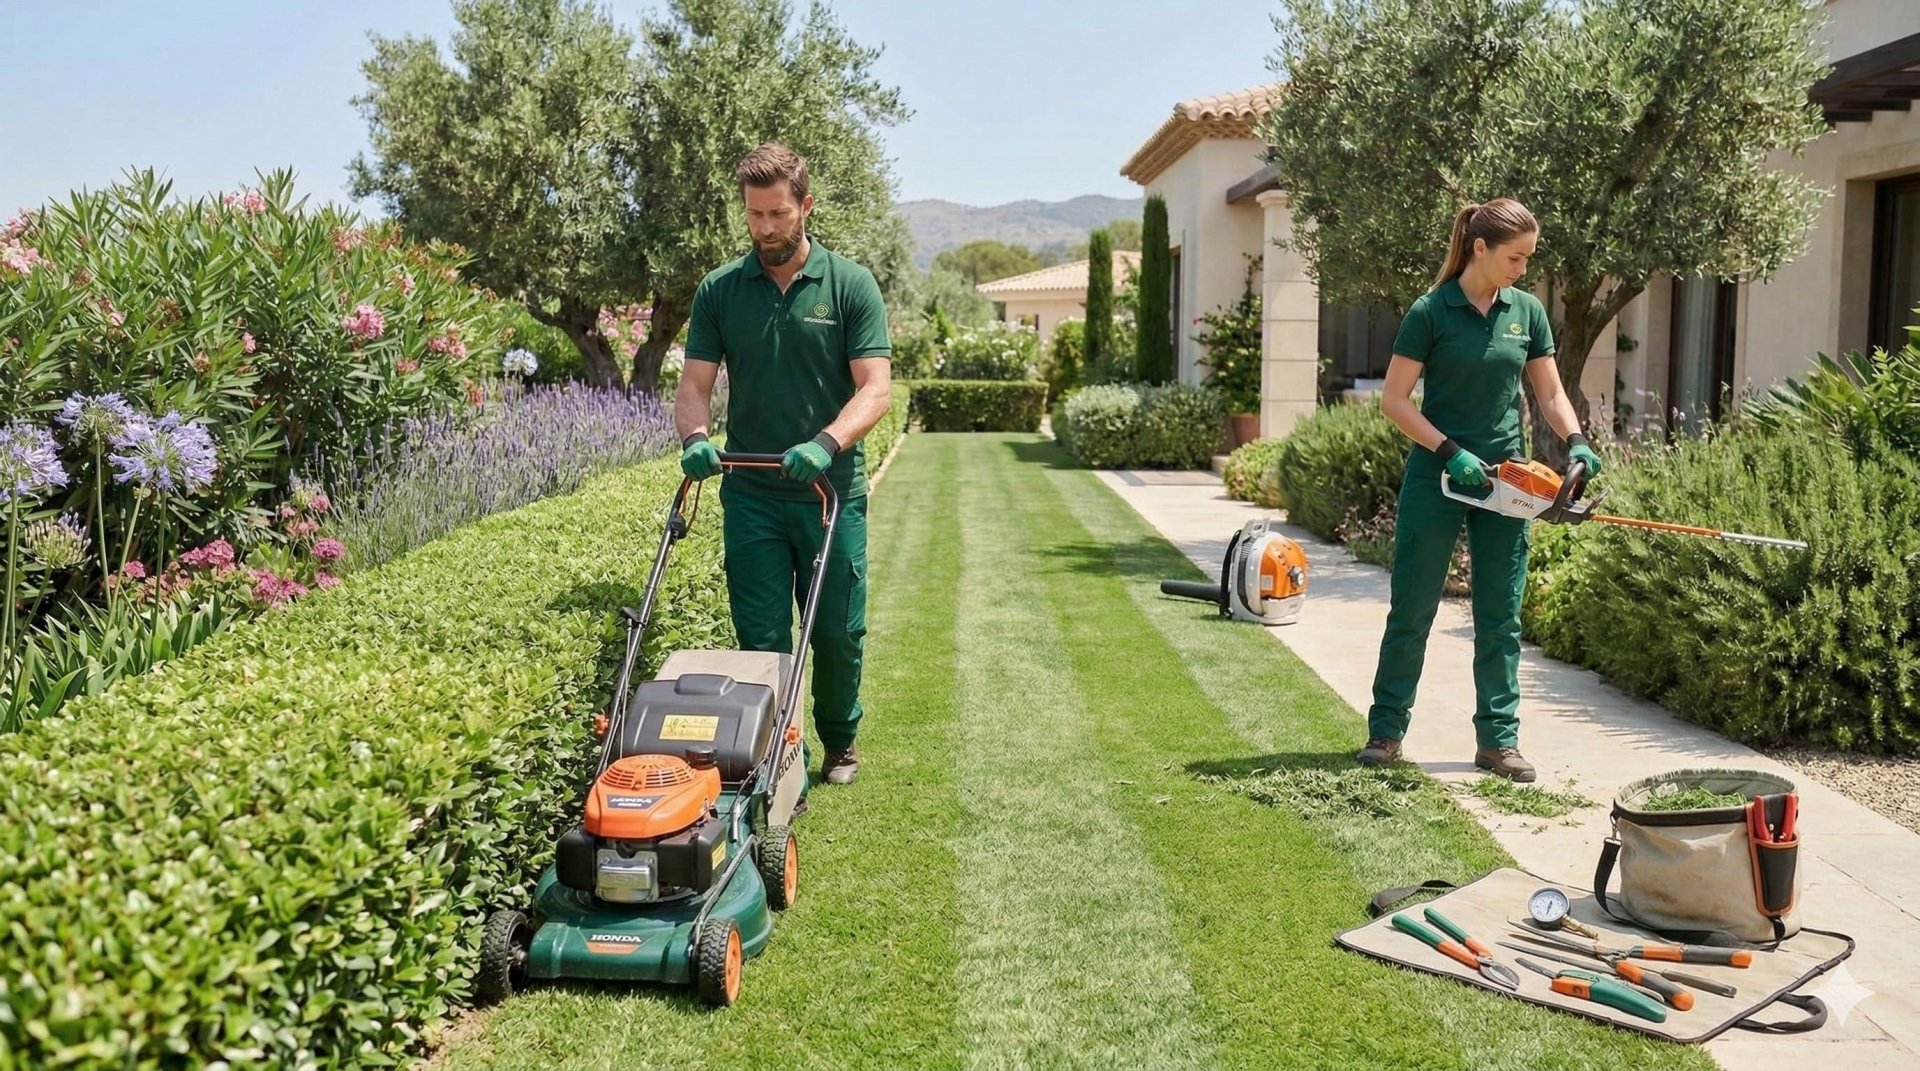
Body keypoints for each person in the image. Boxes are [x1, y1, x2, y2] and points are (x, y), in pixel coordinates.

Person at [1355, 198, 1603, 783]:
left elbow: (1549, 393)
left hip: (1507, 482)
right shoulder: (1430, 311)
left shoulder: (1527, 313)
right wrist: (1449, 451)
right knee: (1412, 607)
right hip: (1438, 477)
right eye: (1516, 257)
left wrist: (1576, 440)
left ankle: (1498, 742)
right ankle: (1386, 732)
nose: (1524, 268)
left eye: (1530, 258)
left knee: (1500, 613)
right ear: (1481, 248)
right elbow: (1394, 401)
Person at [674, 141, 894, 795]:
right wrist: (694, 433)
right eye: (754, 215)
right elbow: (693, 384)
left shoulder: (849, 284)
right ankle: (775, 750)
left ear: (806, 206)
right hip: (752, 493)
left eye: (778, 213)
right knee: (762, 633)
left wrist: (827, 442)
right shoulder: (721, 290)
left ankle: (840, 736)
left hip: (829, 489)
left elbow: (875, 388)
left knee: (836, 628)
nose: (766, 228)